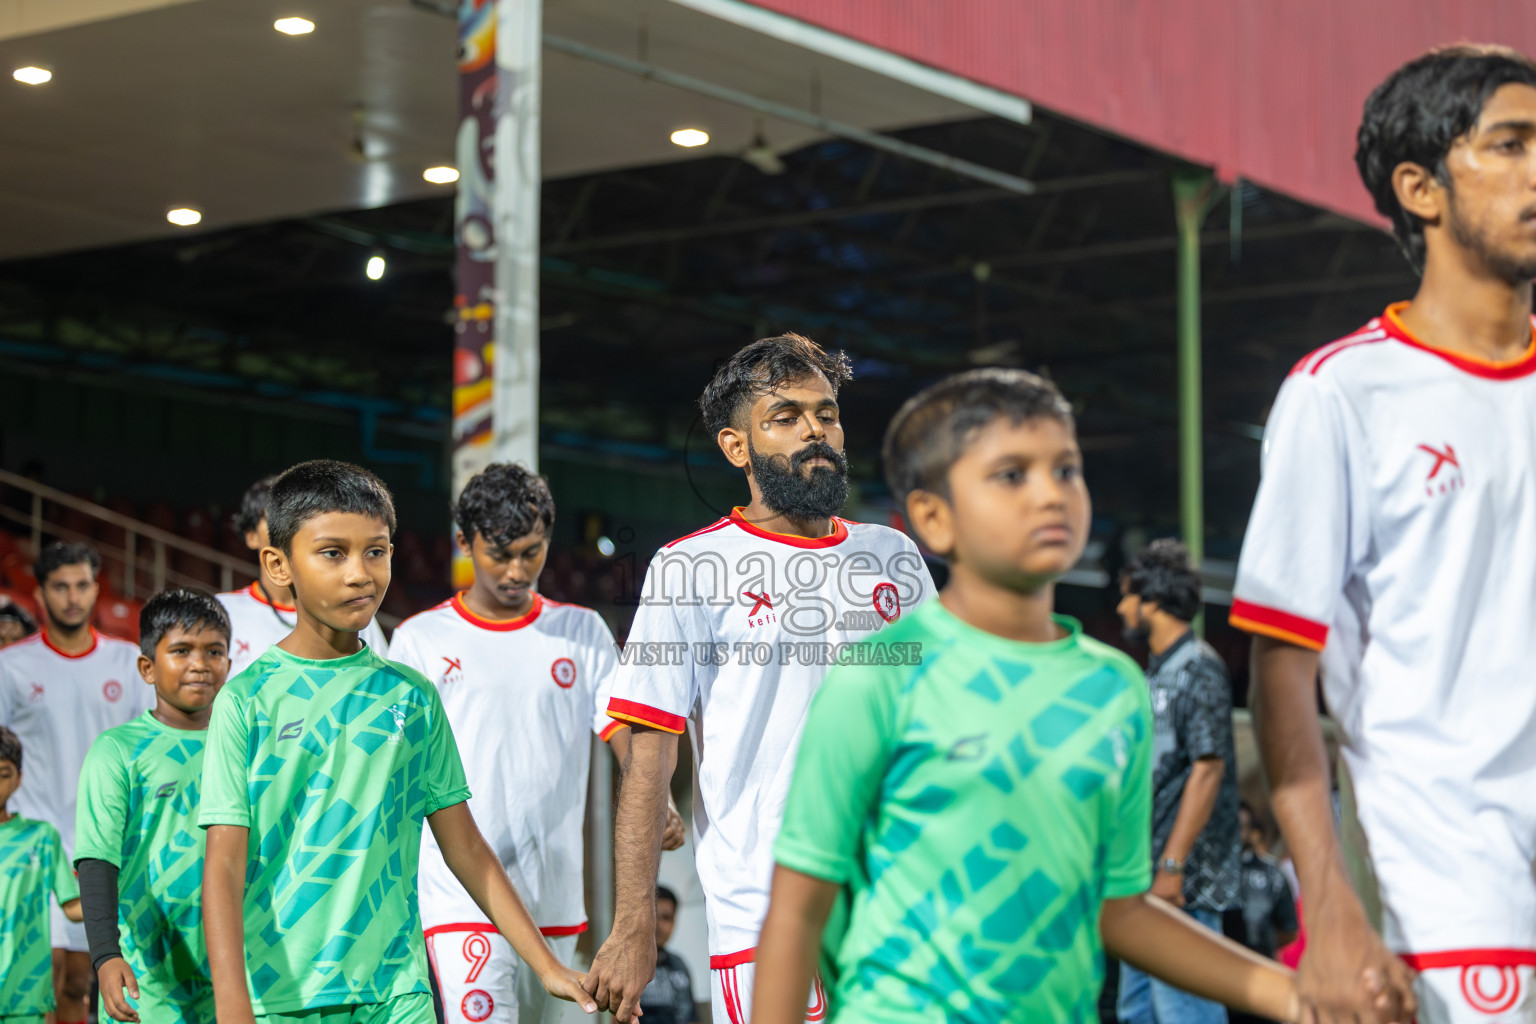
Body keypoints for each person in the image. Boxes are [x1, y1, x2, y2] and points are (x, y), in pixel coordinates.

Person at [751, 368, 1298, 1024]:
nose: (1050, 495)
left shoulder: (1116, 688)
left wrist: (1293, 996)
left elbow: (1120, 910)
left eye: (1066, 470)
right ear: (933, 517)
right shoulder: (879, 677)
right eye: (1012, 475)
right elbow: (798, 910)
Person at [1232, 43, 1536, 1024]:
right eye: (1511, 144)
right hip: (1448, 888)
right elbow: (1282, 674)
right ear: (1421, 187)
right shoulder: (1342, 394)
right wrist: (1330, 909)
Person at [585, 333, 935, 1023]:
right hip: (766, 907)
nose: (815, 432)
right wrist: (631, 927)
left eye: (826, 413)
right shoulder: (691, 567)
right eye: (786, 417)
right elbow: (652, 743)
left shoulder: (893, 558)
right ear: (735, 446)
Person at [197, 460, 594, 1024]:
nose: (360, 573)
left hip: (398, 995)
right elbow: (224, 868)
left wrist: (547, 966)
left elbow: (466, 849)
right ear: (278, 565)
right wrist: (232, 1003)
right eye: (333, 553)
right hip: (282, 997)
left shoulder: (412, 696)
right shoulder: (246, 701)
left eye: (376, 551)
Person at [389, 463, 685, 1024]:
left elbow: (622, 733)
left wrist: (660, 797)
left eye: (532, 551)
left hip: (556, 897)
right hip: (461, 901)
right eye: (500, 554)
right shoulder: (419, 641)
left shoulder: (581, 632)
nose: (517, 569)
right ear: (464, 542)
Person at [0, 541, 147, 1024]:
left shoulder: (128, 663)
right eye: (60, 587)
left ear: (96, 589)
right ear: (40, 594)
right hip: (34, 850)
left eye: (82, 585)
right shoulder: (11, 666)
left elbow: (144, 750)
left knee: (87, 981)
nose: (72, 597)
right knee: (50, 981)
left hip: (105, 843)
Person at [74, 589, 233, 1024]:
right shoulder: (117, 750)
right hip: (148, 978)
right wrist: (105, 955)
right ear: (147, 667)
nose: (200, 664)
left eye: (213, 651)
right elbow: (96, 860)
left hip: (241, 974)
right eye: (181, 651)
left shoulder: (248, 747)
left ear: (230, 665)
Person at [1116, 539, 1242, 1024]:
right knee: (1138, 1013)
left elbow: (1208, 768)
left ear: (1153, 600)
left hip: (1184, 884)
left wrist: (1173, 865)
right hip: (1145, 882)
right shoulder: (1158, 672)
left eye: (1128, 595)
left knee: (1185, 1012)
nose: (1121, 607)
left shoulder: (1200, 668)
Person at [219, 474, 389, 678]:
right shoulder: (224, 612)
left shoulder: (353, 611)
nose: (290, 527)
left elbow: (384, 684)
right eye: (276, 517)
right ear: (251, 535)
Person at [0, 725, 84, 1023]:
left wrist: (121, 889)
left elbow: (73, 907)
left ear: (19, 778)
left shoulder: (41, 838)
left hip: (25, 999)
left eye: (3, 774)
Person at [1236, 802, 1298, 962]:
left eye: (1241, 827)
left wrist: (1264, 945)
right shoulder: (1206, 872)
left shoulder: (1271, 874)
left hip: (1258, 963)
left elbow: (1289, 929)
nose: (1235, 834)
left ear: (1252, 832)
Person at [638, 886, 700, 1024]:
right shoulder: (626, 964)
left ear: (673, 922)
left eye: (666, 918)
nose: (658, 925)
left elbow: (692, 1017)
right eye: (652, 916)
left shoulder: (679, 965)